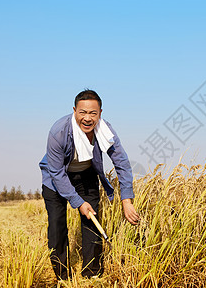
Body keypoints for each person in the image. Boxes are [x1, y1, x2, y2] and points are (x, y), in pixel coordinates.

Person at [39, 89, 139, 280]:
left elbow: (122, 162)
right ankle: (63, 277)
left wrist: (126, 200)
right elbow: (57, 173)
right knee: (57, 226)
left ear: (100, 113)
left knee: (91, 221)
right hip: (55, 179)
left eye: (93, 113)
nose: (87, 118)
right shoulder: (58, 132)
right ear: (74, 111)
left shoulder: (105, 130)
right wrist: (78, 202)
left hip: (86, 175)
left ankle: (91, 274)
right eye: (82, 112)